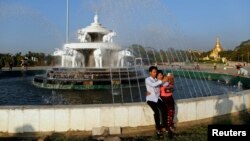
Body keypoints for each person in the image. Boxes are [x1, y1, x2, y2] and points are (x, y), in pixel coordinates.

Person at [145, 66, 168, 138]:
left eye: (156, 72)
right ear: (150, 72)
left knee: (164, 109)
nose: (155, 73)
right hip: (150, 99)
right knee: (157, 112)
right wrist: (161, 80)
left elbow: (164, 85)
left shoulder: (156, 79)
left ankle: (164, 126)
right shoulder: (148, 79)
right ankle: (158, 129)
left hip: (157, 99)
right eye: (154, 72)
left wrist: (167, 80)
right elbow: (152, 85)